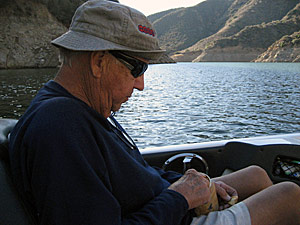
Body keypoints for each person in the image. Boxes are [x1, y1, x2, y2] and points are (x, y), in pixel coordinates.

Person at [8, 1, 300, 225]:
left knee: (258, 176)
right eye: (137, 68)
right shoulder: (59, 127)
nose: (141, 85)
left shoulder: (80, 109)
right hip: (171, 215)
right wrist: (180, 197)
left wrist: (195, 185)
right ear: (98, 62)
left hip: (166, 204)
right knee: (289, 195)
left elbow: (132, 172)